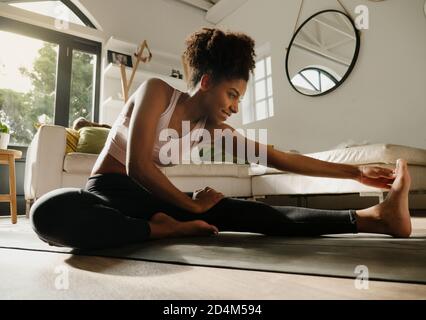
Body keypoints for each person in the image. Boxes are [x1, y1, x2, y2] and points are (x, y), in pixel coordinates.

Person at [30, 28, 412, 250]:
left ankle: (374, 218)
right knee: (48, 213)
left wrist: (355, 174)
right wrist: (189, 208)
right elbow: (137, 166)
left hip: (152, 203)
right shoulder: (156, 93)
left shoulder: (213, 130)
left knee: (244, 211)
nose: (235, 107)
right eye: (232, 94)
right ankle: (164, 228)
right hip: (108, 193)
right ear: (207, 83)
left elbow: (280, 159)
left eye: (240, 99)